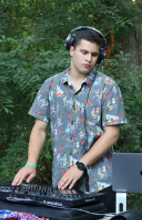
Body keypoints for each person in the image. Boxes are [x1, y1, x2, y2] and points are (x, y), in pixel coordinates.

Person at [11, 27, 126, 192]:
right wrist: (31, 163)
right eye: (84, 52)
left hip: (101, 182)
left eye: (94, 55)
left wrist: (80, 165)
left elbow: (112, 134)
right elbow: (40, 129)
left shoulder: (108, 87)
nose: (88, 59)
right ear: (71, 49)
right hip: (63, 181)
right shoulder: (51, 85)